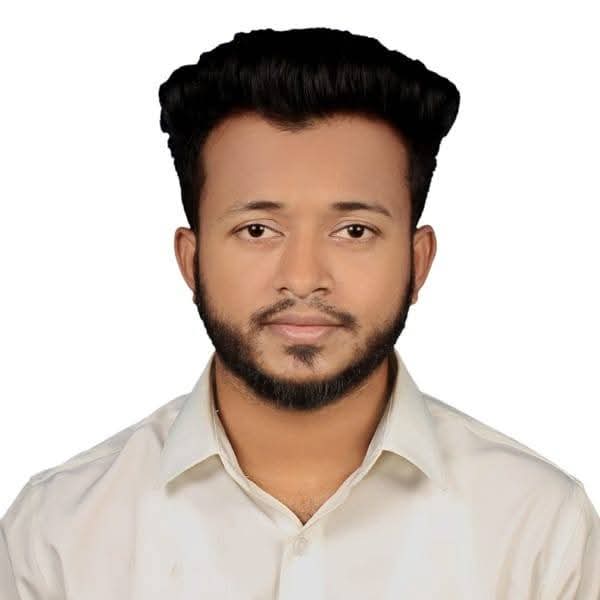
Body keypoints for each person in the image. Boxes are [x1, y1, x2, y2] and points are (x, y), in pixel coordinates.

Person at [1, 26, 598, 600]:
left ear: (418, 263)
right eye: (258, 229)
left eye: (354, 230)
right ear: (191, 260)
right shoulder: (55, 536)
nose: (304, 277)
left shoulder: (540, 530)